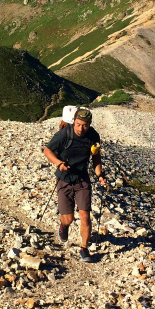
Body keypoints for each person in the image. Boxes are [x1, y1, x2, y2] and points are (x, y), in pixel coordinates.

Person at [43, 107, 107, 262]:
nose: (81, 128)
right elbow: (47, 151)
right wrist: (59, 164)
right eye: (78, 124)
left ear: (90, 124)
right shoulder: (64, 134)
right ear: (74, 122)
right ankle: (63, 226)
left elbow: (96, 157)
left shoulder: (93, 136)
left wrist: (99, 175)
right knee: (68, 218)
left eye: (84, 125)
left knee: (85, 216)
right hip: (64, 179)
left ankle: (84, 248)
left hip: (82, 179)